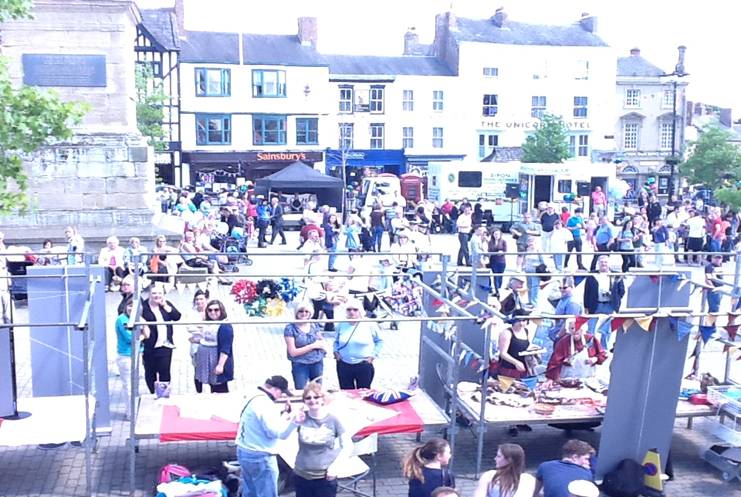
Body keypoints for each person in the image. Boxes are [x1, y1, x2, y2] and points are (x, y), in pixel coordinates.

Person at [236, 375, 302, 497]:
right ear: (276, 389)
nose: (280, 397)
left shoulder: (252, 396)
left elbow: (264, 424)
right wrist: (293, 421)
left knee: (250, 491)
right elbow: (277, 433)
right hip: (261, 455)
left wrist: (284, 415)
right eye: (281, 393)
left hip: (244, 451)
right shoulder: (266, 405)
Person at [293, 382, 353, 497]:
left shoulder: (333, 420)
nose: (312, 400)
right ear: (304, 401)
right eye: (308, 398)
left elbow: (348, 446)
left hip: (325, 477)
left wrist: (335, 467)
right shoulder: (301, 418)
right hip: (301, 475)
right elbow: (282, 435)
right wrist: (293, 421)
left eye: (316, 397)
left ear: (322, 399)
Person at [140, 284, 181, 394]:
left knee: (165, 372)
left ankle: (163, 395)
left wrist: (165, 306)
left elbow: (177, 317)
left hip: (165, 345)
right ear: (149, 294)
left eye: (160, 293)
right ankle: (153, 393)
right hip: (150, 346)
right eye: (154, 293)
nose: (157, 295)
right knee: (150, 372)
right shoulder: (143, 307)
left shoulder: (166, 304)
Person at [333, 299, 383, 389]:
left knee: (364, 392)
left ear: (360, 311)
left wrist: (373, 355)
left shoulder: (370, 324)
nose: (352, 312)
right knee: (346, 393)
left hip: (363, 364)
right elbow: (336, 341)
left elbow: (379, 341)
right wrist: (336, 352)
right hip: (344, 364)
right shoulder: (340, 324)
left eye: (355, 310)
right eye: (349, 309)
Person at [191, 299, 233, 393]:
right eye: (210, 310)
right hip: (206, 360)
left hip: (216, 359)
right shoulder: (208, 323)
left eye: (216, 310)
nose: (213, 312)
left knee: (219, 388)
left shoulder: (225, 326)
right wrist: (198, 340)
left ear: (221, 310)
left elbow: (225, 348)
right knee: (212, 386)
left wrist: (220, 365)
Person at [545, 319, 607, 383]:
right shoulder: (563, 342)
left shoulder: (591, 339)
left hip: (588, 379)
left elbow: (603, 354)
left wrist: (595, 359)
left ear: (583, 329)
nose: (575, 330)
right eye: (572, 328)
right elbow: (554, 362)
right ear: (569, 329)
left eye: (578, 328)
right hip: (568, 379)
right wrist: (550, 378)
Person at [284, 301, 327, 389]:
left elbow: (321, 340)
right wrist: (313, 346)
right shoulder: (290, 328)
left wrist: (323, 347)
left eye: (306, 311)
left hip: (317, 363)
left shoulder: (314, 325)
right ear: (296, 313)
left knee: (317, 390)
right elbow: (293, 352)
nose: (304, 314)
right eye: (301, 311)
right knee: (301, 390)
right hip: (300, 364)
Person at [114, 297, 143, 420]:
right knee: (129, 386)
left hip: (136, 354)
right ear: (125, 307)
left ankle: (135, 409)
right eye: (130, 306)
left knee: (135, 385)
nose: (132, 309)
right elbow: (130, 338)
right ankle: (130, 413)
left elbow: (147, 333)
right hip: (125, 356)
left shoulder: (138, 319)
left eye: (134, 306)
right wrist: (142, 336)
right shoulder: (122, 319)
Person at [548, 277, 584, 342]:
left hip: (565, 339)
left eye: (565, 288)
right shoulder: (563, 299)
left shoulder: (572, 303)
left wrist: (558, 336)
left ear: (572, 287)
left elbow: (569, 323)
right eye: (560, 288)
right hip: (557, 334)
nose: (562, 290)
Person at [488, 228, 508, 298]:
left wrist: (501, 252)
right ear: (493, 235)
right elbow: (489, 250)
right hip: (493, 261)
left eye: (498, 234)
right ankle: (496, 291)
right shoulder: (490, 242)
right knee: (495, 276)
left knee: (500, 276)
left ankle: (499, 290)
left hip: (501, 261)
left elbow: (505, 250)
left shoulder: (503, 241)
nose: (497, 235)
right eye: (495, 234)